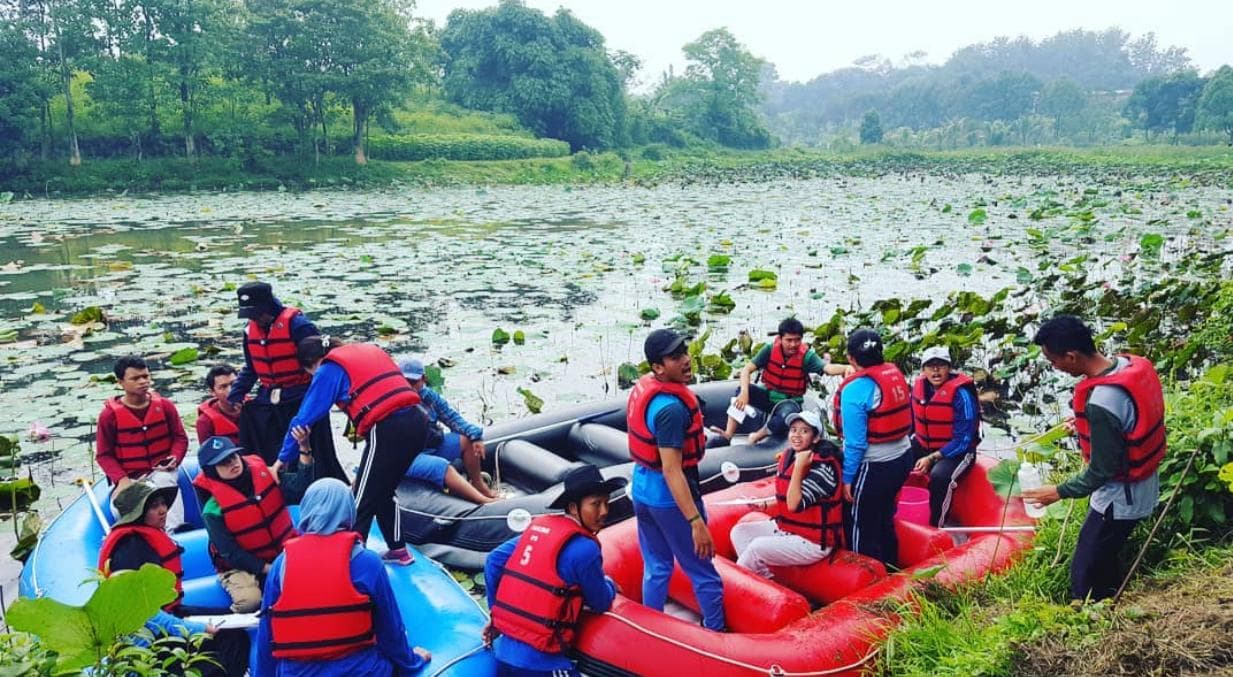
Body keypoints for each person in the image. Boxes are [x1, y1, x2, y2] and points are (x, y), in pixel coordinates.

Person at [1020, 315, 1166, 602]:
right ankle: (1112, 595)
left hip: (1120, 499)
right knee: (1104, 553)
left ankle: (1094, 613)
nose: (1054, 367)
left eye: (1053, 361)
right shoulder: (1126, 365)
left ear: (1072, 356)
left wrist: (1057, 492)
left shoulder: (1102, 402)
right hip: (1145, 485)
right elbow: (1128, 419)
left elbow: (1100, 472)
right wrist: (1085, 424)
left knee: (1084, 573)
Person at [255, 478, 431, 676]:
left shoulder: (281, 564)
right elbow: (390, 631)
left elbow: (267, 635)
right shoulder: (367, 562)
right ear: (349, 511)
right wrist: (413, 661)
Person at [278, 337, 430, 564]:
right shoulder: (367, 350)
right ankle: (399, 550)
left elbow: (303, 419)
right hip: (418, 421)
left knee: (361, 498)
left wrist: (281, 459)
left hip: (388, 427)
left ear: (313, 363)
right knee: (383, 490)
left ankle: (350, 559)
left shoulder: (328, 369)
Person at [483, 464, 625, 676]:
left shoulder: (539, 528)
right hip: (543, 663)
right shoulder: (586, 550)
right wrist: (610, 584)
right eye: (596, 504)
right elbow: (600, 602)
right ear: (574, 507)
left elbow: (493, 561)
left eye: (606, 503)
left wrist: (497, 614)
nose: (604, 511)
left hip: (503, 653)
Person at [626, 328, 724, 631]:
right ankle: (717, 633)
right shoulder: (670, 410)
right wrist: (696, 522)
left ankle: (650, 629)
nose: (686, 359)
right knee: (703, 572)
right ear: (658, 367)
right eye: (675, 357)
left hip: (642, 488)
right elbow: (671, 469)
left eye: (685, 352)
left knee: (657, 566)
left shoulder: (651, 390)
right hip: (668, 498)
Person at [98, 481, 250, 676]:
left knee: (232, 627)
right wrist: (197, 629)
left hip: (167, 614)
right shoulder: (129, 550)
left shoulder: (145, 538)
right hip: (148, 639)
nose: (163, 510)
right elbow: (145, 617)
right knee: (229, 641)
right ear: (138, 513)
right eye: (154, 507)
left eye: (163, 504)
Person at [227, 281, 346, 483]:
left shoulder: (299, 326)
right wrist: (236, 394)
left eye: (257, 313)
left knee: (313, 446)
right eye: (250, 315)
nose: (254, 319)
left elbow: (319, 363)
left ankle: (322, 484)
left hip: (301, 395)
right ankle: (271, 481)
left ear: (268, 306)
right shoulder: (249, 331)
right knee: (252, 419)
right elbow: (252, 367)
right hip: (271, 398)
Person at [192, 436, 307, 613]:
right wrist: (269, 569)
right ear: (212, 471)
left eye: (232, 457)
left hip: (281, 550)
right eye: (223, 463)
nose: (231, 463)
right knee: (249, 602)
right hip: (239, 565)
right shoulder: (212, 510)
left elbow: (299, 490)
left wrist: (304, 450)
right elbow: (231, 553)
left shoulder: (266, 474)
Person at [832, 328, 913, 567]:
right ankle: (891, 568)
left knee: (860, 524)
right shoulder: (893, 374)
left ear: (850, 358)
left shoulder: (854, 390)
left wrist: (848, 478)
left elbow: (856, 443)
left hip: (875, 466)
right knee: (885, 517)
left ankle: (865, 576)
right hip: (903, 457)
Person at [730, 411, 845, 577]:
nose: (797, 435)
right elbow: (786, 495)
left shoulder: (823, 469)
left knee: (756, 548)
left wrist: (799, 467)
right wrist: (764, 504)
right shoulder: (791, 456)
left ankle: (741, 583)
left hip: (813, 542)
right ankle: (764, 579)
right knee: (740, 533)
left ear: (815, 438)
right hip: (791, 529)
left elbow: (794, 505)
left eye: (804, 431)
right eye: (793, 430)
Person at [713, 318, 852, 446]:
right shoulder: (769, 350)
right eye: (789, 340)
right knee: (741, 392)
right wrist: (744, 393)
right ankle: (728, 434)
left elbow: (827, 368)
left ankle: (757, 436)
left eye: (797, 340)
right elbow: (747, 369)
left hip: (789, 402)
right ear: (780, 338)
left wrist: (846, 368)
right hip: (769, 395)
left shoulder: (807, 357)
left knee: (786, 417)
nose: (793, 344)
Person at [96, 355, 188, 531]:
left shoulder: (165, 406)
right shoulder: (109, 416)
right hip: (130, 477)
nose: (143, 381)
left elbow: (180, 438)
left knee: (164, 482)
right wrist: (122, 480)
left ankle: (173, 532)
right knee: (122, 504)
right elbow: (104, 455)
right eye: (135, 378)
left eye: (145, 376)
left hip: (161, 470)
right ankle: (138, 536)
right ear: (121, 382)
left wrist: (174, 457)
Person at [399, 358, 496, 503]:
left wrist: (475, 436)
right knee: (441, 466)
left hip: (430, 446)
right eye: (405, 381)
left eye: (413, 382)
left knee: (467, 440)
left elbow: (452, 418)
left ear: (423, 379)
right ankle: (484, 501)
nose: (409, 387)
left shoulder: (430, 398)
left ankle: (478, 484)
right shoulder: (394, 403)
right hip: (407, 457)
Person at [908, 346, 981, 527]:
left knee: (939, 477)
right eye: (930, 366)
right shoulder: (919, 389)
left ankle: (936, 526)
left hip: (958, 452)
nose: (936, 370)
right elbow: (912, 424)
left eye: (941, 365)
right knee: (896, 462)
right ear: (923, 370)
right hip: (924, 444)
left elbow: (964, 440)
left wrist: (932, 458)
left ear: (949, 368)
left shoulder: (962, 396)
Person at [197, 364, 241, 445]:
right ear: (213, 392)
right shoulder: (205, 422)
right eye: (223, 387)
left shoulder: (253, 408)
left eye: (233, 384)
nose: (230, 390)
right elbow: (208, 451)